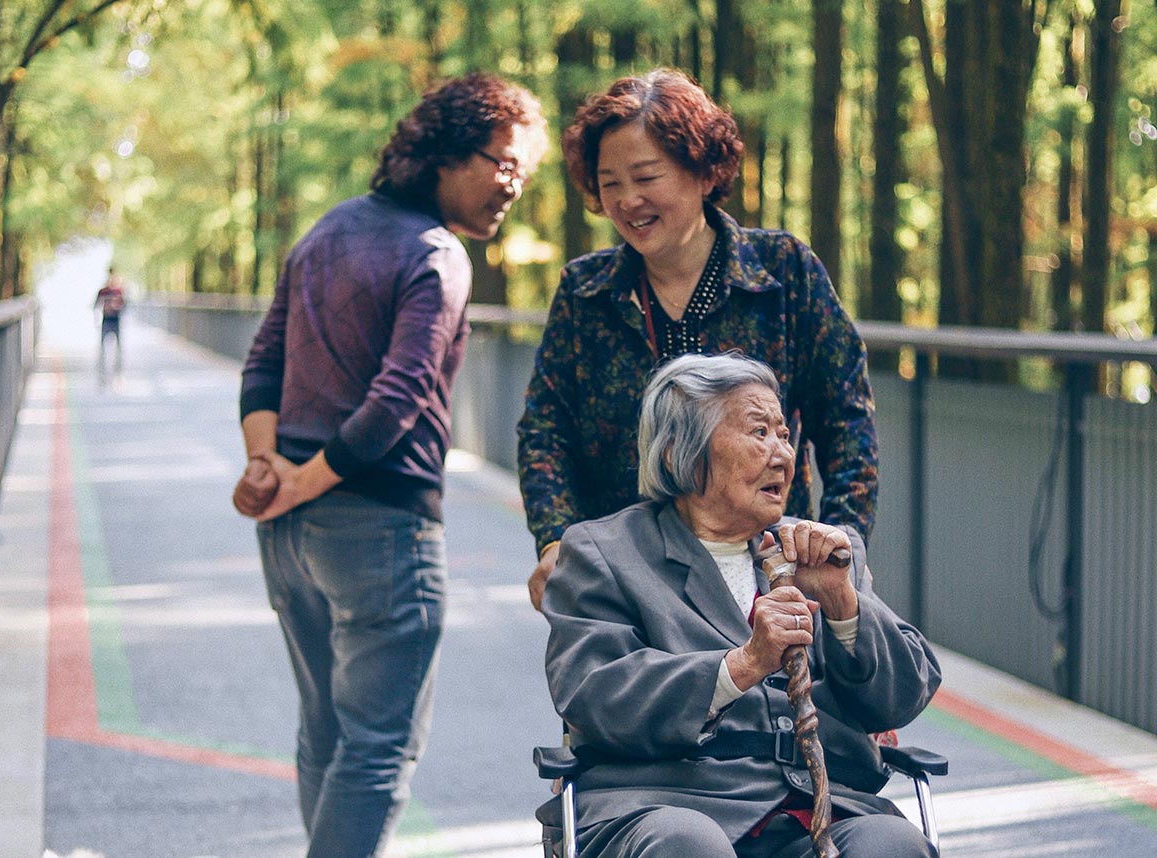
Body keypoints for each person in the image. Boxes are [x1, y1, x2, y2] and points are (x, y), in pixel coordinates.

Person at [237, 73, 547, 858]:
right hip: (382, 531)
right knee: (377, 750)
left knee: (327, 732)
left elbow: (263, 363)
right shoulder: (437, 254)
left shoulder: (327, 230)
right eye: (500, 162)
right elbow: (397, 399)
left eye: (523, 171)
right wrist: (295, 479)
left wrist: (269, 469)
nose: (512, 185)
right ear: (444, 153)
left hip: (291, 537)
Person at [540, 352, 941, 858]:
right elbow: (594, 694)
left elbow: (902, 698)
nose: (783, 455)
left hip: (816, 810)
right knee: (689, 845)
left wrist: (841, 600)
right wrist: (743, 664)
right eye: (759, 433)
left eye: (784, 434)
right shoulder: (604, 552)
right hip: (666, 806)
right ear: (680, 454)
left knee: (892, 845)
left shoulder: (821, 552)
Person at [517, 68, 878, 611]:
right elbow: (546, 430)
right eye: (610, 182)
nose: (627, 200)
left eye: (646, 176)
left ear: (705, 172)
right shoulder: (584, 293)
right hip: (626, 581)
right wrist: (556, 539)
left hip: (767, 577)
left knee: (772, 696)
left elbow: (847, 421)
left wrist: (840, 545)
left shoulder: (785, 273)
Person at [93, 267, 126, 375]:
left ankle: (118, 372)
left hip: (116, 320)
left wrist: (117, 306)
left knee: (118, 348)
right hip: (106, 320)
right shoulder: (103, 291)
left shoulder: (119, 291)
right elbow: (96, 305)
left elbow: (124, 305)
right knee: (102, 347)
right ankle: (101, 371)